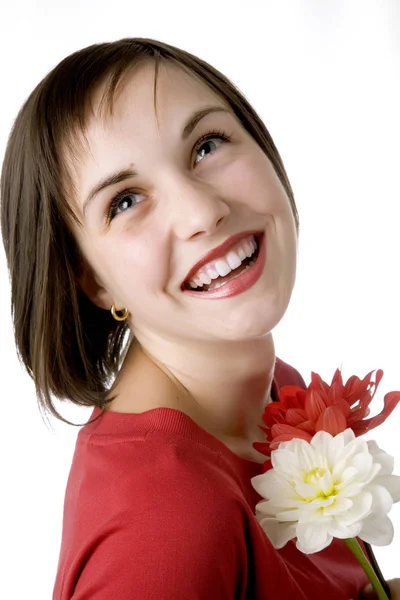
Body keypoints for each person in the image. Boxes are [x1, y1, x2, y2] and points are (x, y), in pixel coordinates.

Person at [0, 37, 398, 600]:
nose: (203, 211)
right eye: (125, 201)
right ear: (91, 280)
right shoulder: (163, 520)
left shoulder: (276, 392)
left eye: (207, 145)